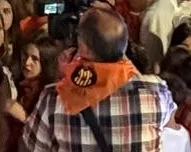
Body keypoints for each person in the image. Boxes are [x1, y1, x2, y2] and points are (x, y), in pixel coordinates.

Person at [19, 8, 175, 152]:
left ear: (85, 48)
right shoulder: (156, 91)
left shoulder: (54, 97)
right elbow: (169, 125)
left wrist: (65, 77)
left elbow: (32, 145)